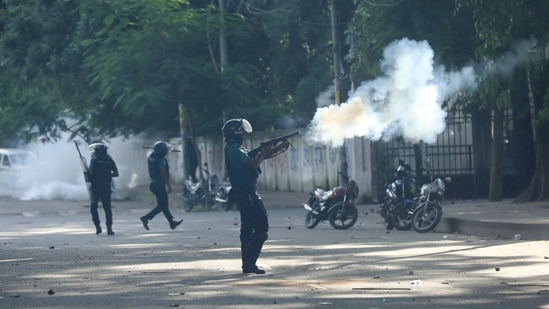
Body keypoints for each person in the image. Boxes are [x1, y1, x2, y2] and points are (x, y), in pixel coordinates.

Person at [222, 118, 289, 274]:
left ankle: (247, 263)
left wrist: (277, 148)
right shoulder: (233, 149)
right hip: (247, 192)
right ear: (236, 133)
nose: (244, 134)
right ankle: (250, 262)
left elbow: (257, 158)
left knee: (247, 228)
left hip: (245, 192)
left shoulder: (236, 148)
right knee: (261, 227)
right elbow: (253, 164)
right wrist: (264, 151)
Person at [140, 141, 183, 231]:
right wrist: (169, 185)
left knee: (163, 205)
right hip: (159, 185)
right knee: (162, 205)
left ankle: (172, 222)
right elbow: (163, 173)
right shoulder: (161, 160)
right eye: (165, 150)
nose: (167, 151)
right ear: (161, 150)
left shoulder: (151, 157)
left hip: (152, 184)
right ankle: (146, 218)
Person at [88, 142, 119, 235]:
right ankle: (109, 228)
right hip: (106, 187)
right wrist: (108, 175)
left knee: (94, 207)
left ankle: (97, 226)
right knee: (107, 208)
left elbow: (90, 172)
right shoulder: (110, 160)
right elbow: (116, 173)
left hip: (95, 187)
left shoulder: (94, 160)